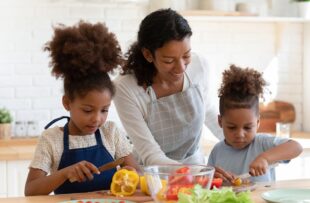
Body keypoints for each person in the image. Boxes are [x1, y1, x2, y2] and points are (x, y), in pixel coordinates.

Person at [25, 21, 140, 196]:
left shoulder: (111, 133)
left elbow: (137, 174)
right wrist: (65, 173)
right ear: (67, 103)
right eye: (87, 110)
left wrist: (132, 175)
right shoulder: (51, 140)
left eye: (104, 110)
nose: (97, 119)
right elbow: (31, 191)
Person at [113, 8, 224, 167]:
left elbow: (209, 111)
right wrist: (196, 174)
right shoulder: (125, 87)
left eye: (186, 56)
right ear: (148, 55)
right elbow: (150, 153)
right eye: (169, 60)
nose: (181, 68)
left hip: (195, 168)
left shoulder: (200, 66)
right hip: (152, 177)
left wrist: (245, 143)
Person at [207, 64, 303, 182]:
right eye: (232, 127)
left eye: (247, 127)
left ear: (257, 123)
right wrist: (212, 177)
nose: (240, 134)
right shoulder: (217, 151)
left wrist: (265, 158)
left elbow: (296, 147)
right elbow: (208, 182)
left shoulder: (262, 144)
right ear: (220, 121)